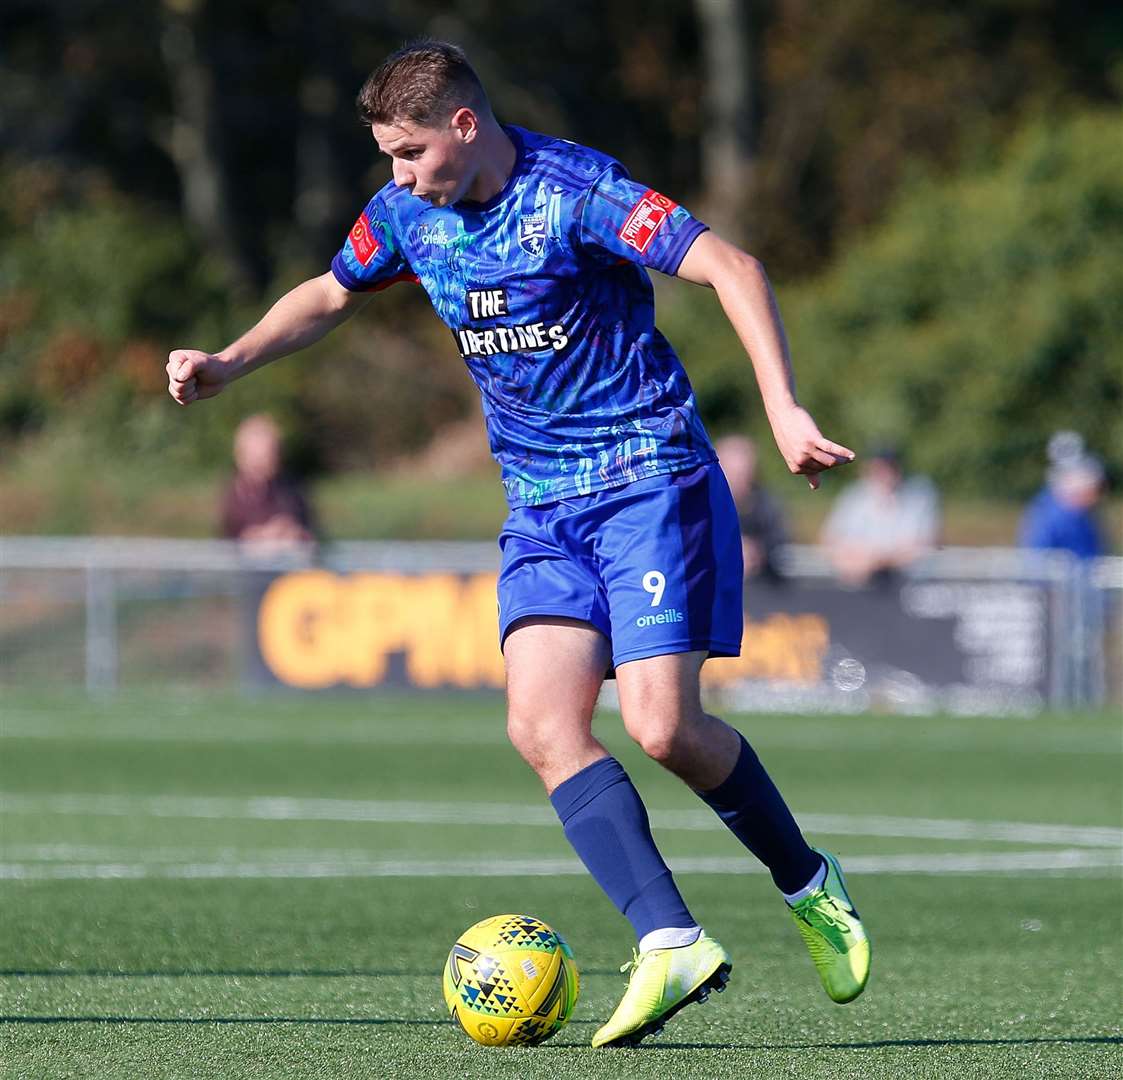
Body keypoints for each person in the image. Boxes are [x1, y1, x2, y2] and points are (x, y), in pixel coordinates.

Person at [166, 41, 869, 1046]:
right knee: (540, 727)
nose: (396, 177)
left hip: (644, 481)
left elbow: (730, 265)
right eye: (385, 158)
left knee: (664, 729)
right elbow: (329, 291)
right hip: (539, 508)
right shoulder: (408, 214)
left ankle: (807, 880)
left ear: (464, 124)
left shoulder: (576, 193)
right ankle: (670, 940)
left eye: (409, 152)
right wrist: (230, 363)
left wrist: (783, 407)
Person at [820, 444, 940, 586]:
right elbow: (830, 542)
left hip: (908, 585)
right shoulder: (854, 496)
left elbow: (923, 546)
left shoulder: (919, 495)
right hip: (857, 584)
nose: (885, 474)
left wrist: (877, 560)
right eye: (879, 468)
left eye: (889, 467)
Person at [220, 413, 316, 548]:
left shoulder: (292, 488)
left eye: (269, 456)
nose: (264, 464)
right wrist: (259, 537)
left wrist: (292, 533)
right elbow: (227, 541)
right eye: (257, 458)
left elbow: (311, 533)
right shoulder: (233, 495)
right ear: (241, 455)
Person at [1019, 432, 1107, 560]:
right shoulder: (1049, 513)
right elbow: (1036, 559)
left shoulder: (1085, 516)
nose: (1097, 497)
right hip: (1057, 577)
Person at [714, 434, 791, 579]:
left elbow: (780, 539)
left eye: (744, 474)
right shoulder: (702, 505)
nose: (740, 481)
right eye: (734, 474)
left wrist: (758, 551)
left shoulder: (766, 505)